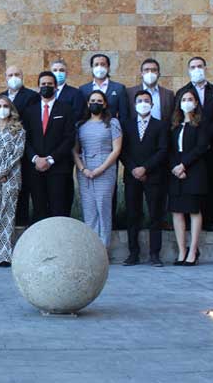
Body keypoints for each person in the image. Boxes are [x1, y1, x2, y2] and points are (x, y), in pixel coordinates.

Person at [176, 56, 213, 231]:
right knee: (190, 182)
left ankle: (209, 219)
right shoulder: (183, 92)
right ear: (188, 70)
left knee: (209, 181)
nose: (196, 69)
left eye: (199, 66)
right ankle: (190, 218)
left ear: (205, 68)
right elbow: (178, 116)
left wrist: (206, 135)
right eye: (193, 67)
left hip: (210, 145)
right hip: (189, 147)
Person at [120, 89, 168, 266]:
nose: (143, 103)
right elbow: (122, 150)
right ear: (134, 104)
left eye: (146, 100)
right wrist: (134, 168)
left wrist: (145, 168)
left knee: (155, 215)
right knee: (133, 215)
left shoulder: (160, 125)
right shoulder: (127, 125)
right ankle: (133, 253)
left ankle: (155, 254)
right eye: (140, 100)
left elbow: (163, 150)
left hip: (153, 176)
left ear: (152, 104)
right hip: (132, 176)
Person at [23, 72, 76, 220]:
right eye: (43, 85)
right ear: (38, 87)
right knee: (39, 210)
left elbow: (69, 139)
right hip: (35, 169)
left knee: (59, 210)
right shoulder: (29, 111)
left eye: (50, 84)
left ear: (56, 87)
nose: (46, 87)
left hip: (58, 169)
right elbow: (25, 139)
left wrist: (50, 159)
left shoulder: (66, 109)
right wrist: (35, 159)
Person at [72, 91, 122, 248]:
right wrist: (83, 169)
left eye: (99, 101)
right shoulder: (81, 125)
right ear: (88, 104)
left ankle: (103, 249)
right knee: (89, 209)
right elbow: (75, 150)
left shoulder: (112, 123)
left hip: (105, 169)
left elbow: (116, 150)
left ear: (105, 104)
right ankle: (92, 249)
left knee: (103, 207)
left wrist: (101, 169)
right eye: (93, 100)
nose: (96, 103)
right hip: (85, 171)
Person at [167, 88, 210, 266]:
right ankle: (181, 250)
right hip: (176, 172)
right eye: (184, 99)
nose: (187, 102)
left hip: (194, 171)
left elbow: (201, 147)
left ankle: (193, 250)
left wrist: (184, 165)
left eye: (190, 99)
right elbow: (169, 149)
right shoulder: (175, 125)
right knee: (177, 211)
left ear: (196, 103)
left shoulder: (201, 124)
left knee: (193, 210)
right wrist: (175, 167)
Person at [0, 95, 25, 267]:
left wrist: (4, 171)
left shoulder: (18, 130)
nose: (2, 109)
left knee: (7, 215)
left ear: (11, 108)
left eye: (5, 106)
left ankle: (6, 255)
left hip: (11, 177)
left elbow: (18, 152)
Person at [1, 65, 38, 225]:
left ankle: (22, 224)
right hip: (3, 153)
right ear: (5, 77)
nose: (13, 77)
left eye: (17, 74)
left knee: (23, 191)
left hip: (23, 151)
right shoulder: (0, 97)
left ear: (22, 77)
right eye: (10, 75)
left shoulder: (31, 96)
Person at [78, 53, 128, 120]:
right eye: (96, 64)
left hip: (111, 127)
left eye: (103, 64)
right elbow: (81, 113)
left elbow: (124, 114)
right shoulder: (83, 89)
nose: (99, 67)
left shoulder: (119, 88)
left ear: (108, 68)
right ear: (92, 68)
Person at [127, 58, 175, 122]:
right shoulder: (130, 93)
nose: (150, 73)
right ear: (142, 73)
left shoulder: (168, 94)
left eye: (154, 70)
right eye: (146, 70)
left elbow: (172, 116)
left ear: (159, 74)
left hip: (161, 130)